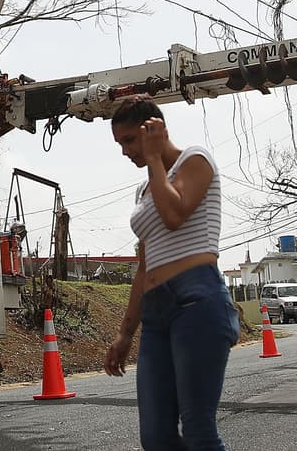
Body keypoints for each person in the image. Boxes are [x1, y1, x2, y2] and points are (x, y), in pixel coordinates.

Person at [103, 94, 239, 450]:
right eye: (120, 144)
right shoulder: (145, 188)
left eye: (129, 140)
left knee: (197, 430)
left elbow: (174, 215)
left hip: (196, 301)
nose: (125, 151)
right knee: (156, 437)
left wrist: (153, 158)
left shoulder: (195, 159)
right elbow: (145, 265)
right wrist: (125, 333)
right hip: (156, 311)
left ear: (154, 131)